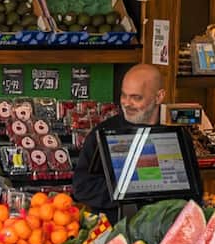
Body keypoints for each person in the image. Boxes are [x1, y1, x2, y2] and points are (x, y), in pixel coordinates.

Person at [71, 63, 169, 215]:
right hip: (114, 229)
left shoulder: (174, 134)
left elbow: (192, 192)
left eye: (136, 97)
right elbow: (82, 187)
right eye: (124, 95)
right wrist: (133, 191)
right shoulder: (103, 133)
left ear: (159, 96)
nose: (127, 103)